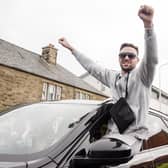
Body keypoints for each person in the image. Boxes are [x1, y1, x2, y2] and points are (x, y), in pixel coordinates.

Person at [58, 5, 158, 154]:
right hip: (111, 136)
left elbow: (152, 59)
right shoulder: (113, 77)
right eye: (122, 55)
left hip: (132, 139)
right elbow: (92, 67)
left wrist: (148, 26)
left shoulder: (143, 76)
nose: (126, 57)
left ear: (137, 60)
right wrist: (72, 49)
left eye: (131, 56)